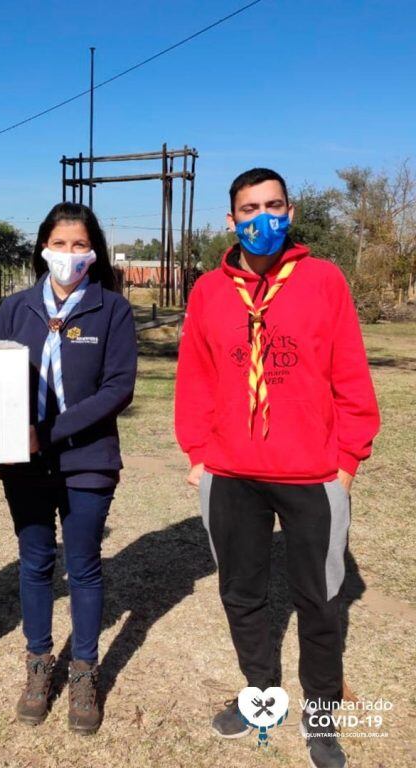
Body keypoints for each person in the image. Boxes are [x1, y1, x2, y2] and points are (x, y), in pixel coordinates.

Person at [174, 168, 380, 768]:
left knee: (318, 602)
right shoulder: (209, 290)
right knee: (241, 595)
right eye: (249, 208)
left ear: (290, 212)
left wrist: (347, 461)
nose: (262, 218)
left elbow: (349, 371)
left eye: (274, 206)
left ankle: (320, 719)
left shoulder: (324, 280)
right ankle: (261, 697)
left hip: (313, 474)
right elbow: (197, 377)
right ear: (230, 219)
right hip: (232, 474)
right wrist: (198, 454)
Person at [0, 202, 137, 734]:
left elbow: (118, 389)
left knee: (84, 564)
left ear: (93, 251)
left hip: (87, 460)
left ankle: (83, 671)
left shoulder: (112, 311)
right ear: (42, 249)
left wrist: (47, 432)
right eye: (59, 244)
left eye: (79, 245)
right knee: (34, 563)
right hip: (24, 462)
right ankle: (37, 665)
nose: (68, 255)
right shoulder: (16, 309)